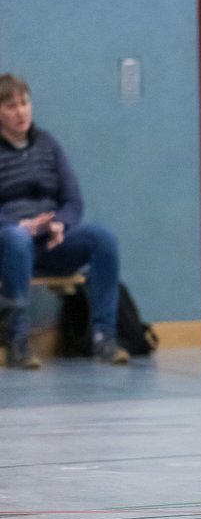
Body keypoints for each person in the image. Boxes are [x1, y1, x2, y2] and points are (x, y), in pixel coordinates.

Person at [0, 74, 127, 368]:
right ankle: (17, 342)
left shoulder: (48, 145)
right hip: (11, 245)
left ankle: (103, 337)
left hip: (51, 242)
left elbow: (73, 200)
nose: (20, 112)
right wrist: (17, 226)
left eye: (24, 103)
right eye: (10, 106)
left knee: (103, 238)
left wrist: (60, 224)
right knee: (17, 240)